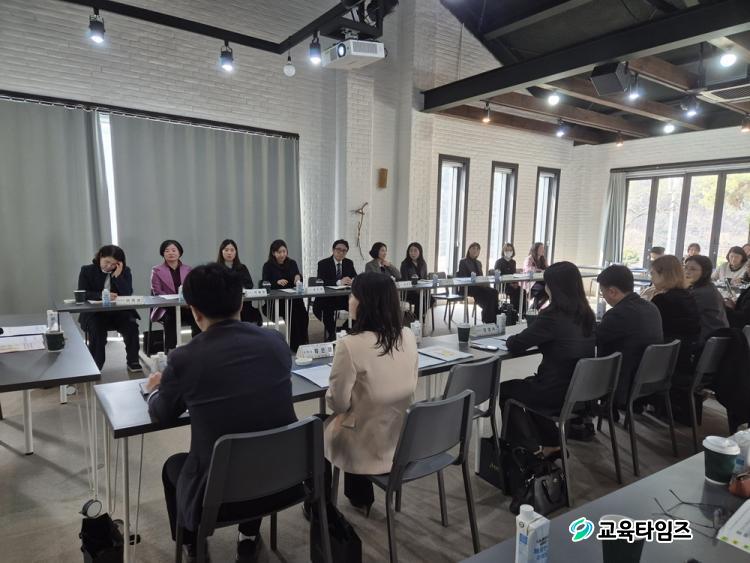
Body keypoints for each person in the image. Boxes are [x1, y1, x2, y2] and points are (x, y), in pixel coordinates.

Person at [144, 263, 298, 562]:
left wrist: (154, 389)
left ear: (193, 311)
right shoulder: (276, 341)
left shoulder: (185, 358)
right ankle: (249, 536)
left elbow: (162, 414)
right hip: (284, 480)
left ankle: (193, 543)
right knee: (256, 443)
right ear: (241, 302)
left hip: (218, 494)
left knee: (173, 466)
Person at [324, 272, 418, 513]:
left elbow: (338, 404)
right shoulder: (408, 336)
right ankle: (359, 496)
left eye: (353, 295)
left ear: (366, 302)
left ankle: (320, 509)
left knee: (319, 425)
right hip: (400, 441)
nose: (349, 300)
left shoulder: (349, 345)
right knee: (366, 409)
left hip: (365, 445)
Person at [499, 262, 595, 456]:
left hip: (555, 392)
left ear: (555, 288)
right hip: (581, 390)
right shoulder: (587, 314)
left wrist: (510, 338)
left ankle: (522, 450)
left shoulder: (553, 316)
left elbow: (517, 344)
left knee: (507, 390)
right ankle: (551, 443)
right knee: (529, 385)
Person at [596, 265, 663, 408]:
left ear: (612, 291)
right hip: (649, 377)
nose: (603, 297)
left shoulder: (618, 314)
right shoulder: (651, 308)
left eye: (603, 292)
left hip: (624, 382)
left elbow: (594, 339)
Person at [77, 245, 141, 371]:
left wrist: (118, 276)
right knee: (97, 331)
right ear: (100, 256)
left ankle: (133, 361)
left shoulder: (125, 271)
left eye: (113, 264)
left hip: (119, 313)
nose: (109, 266)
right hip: (95, 313)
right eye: (107, 262)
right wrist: (101, 295)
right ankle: (95, 365)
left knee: (131, 327)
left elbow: (128, 293)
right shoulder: (87, 270)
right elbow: (82, 293)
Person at [150, 240, 200, 351]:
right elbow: (157, 292)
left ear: (179, 252)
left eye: (173, 250)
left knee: (198, 316)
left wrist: (187, 301)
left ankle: (197, 349)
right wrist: (174, 302)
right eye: (167, 251)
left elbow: (192, 288)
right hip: (166, 307)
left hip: (185, 306)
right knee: (170, 320)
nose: (170, 253)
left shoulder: (188, 269)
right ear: (163, 253)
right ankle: (171, 352)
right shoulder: (156, 270)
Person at [261, 239, 308, 351]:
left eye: (284, 251)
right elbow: (264, 283)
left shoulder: (292, 263)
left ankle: (303, 342)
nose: (282, 254)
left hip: (293, 298)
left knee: (303, 315)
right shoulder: (268, 266)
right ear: (273, 253)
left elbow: (297, 277)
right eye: (279, 252)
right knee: (293, 316)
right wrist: (276, 282)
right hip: (277, 300)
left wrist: (298, 277)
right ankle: (296, 345)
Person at [313, 239, 357, 341]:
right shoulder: (323, 263)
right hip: (328, 298)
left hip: (344, 297)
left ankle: (343, 329)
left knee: (361, 307)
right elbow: (321, 281)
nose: (341, 252)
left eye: (344, 250)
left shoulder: (349, 263)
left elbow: (355, 276)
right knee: (327, 308)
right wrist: (339, 282)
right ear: (333, 250)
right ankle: (332, 334)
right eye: (338, 249)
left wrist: (352, 281)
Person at [684, 255, 728, 344]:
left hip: (706, 340)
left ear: (705, 272)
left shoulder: (701, 293)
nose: (687, 272)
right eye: (685, 268)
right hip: (718, 337)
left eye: (693, 269)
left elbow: (682, 313)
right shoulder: (709, 287)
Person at [217, 239, 262, 326]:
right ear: (221, 252)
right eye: (226, 250)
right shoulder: (217, 268)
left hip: (243, 303)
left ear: (236, 252)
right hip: (224, 305)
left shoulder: (242, 268)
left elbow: (249, 284)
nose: (229, 253)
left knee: (252, 315)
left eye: (232, 250)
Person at [458, 242, 499, 324]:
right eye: (473, 248)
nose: (475, 251)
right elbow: (463, 277)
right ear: (469, 250)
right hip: (469, 287)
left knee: (494, 292)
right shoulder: (463, 262)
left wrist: (484, 282)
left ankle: (493, 318)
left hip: (479, 287)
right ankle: (488, 320)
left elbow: (481, 277)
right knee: (489, 296)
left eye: (477, 249)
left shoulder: (479, 263)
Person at [399, 242, 434, 320]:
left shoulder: (423, 263)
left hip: (422, 290)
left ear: (420, 252)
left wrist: (424, 288)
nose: (413, 253)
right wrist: (416, 288)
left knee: (431, 299)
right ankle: (418, 318)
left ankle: (420, 316)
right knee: (419, 300)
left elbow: (425, 278)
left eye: (415, 251)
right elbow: (404, 280)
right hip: (409, 292)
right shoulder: (405, 264)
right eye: (411, 251)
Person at [725, 259, 750, 329]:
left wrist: (724, 308)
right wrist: (734, 305)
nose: (747, 269)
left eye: (749, 266)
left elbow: (744, 317)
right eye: (747, 266)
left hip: (742, 329)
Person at [494, 242, 521, 307]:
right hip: (502, 284)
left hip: (512, 284)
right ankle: (513, 309)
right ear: (503, 251)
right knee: (515, 291)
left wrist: (515, 283)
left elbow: (513, 274)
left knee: (522, 291)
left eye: (510, 250)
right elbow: (498, 275)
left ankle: (520, 310)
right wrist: (510, 284)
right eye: (506, 250)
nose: (509, 252)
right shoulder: (499, 262)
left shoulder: (513, 262)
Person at [523, 242, 548, 309]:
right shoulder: (529, 259)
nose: (543, 250)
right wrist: (540, 271)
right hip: (531, 282)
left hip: (541, 281)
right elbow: (528, 269)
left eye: (543, 248)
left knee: (550, 290)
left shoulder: (543, 259)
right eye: (541, 248)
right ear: (535, 249)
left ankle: (534, 308)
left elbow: (547, 269)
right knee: (542, 290)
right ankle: (534, 308)